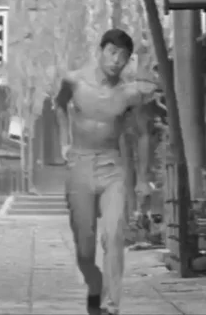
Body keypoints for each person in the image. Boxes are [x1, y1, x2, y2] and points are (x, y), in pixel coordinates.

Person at [54, 29, 153, 315]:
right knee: (84, 247)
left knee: (114, 234)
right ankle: (94, 282)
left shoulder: (130, 94)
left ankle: (111, 305)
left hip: (112, 167)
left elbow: (143, 134)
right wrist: (64, 141)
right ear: (100, 51)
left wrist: (143, 178)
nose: (116, 61)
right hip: (80, 164)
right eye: (112, 52)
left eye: (123, 56)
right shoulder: (74, 81)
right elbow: (59, 105)